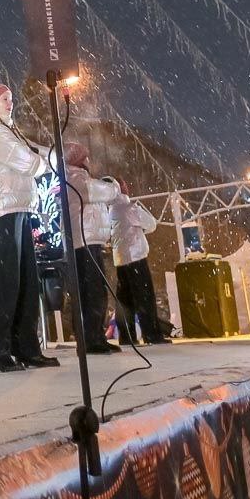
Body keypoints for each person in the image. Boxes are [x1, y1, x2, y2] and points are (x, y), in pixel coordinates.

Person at [0, 83, 61, 373]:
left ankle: (26, 346)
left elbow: (33, 154)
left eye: (11, 98)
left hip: (20, 206)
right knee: (7, 277)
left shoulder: (9, 131)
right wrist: (45, 161)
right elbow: (28, 162)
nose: (10, 103)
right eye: (4, 99)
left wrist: (48, 155)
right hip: (4, 207)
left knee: (26, 279)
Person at [63, 142, 122, 355]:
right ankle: (90, 338)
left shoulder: (77, 177)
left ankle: (94, 335)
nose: (88, 160)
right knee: (92, 291)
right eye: (84, 157)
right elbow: (102, 192)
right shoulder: (75, 178)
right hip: (84, 241)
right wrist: (114, 185)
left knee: (93, 291)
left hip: (88, 240)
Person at [109, 180, 171, 345]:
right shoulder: (129, 208)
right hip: (135, 257)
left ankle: (126, 335)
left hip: (120, 259)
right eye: (124, 185)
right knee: (145, 297)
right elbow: (151, 223)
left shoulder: (111, 210)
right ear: (121, 189)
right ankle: (151, 333)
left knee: (125, 300)